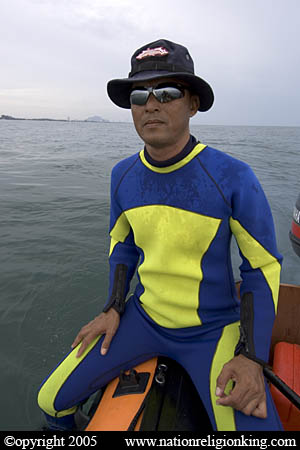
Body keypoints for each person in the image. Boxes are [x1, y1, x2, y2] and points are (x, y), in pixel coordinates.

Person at [38, 39, 283, 431]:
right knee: (50, 402)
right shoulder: (123, 176)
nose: (151, 104)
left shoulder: (233, 177)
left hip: (213, 330)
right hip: (143, 319)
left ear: (193, 104)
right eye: (139, 94)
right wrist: (113, 307)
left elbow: (262, 267)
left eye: (167, 92)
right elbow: (123, 246)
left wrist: (251, 357)